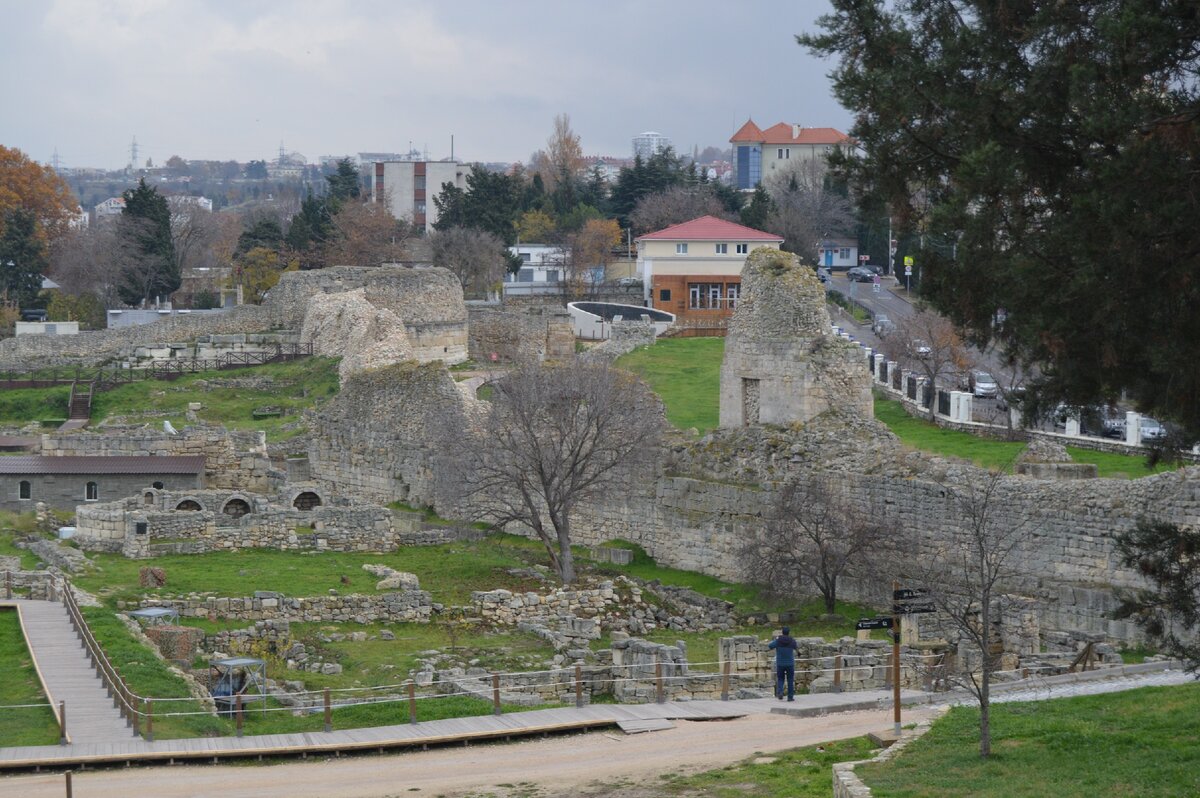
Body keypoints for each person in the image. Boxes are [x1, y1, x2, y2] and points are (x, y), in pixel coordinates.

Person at [768, 626, 799, 701]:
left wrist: (777, 639)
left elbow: (770, 646)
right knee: (790, 680)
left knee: (781, 679)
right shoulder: (792, 640)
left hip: (780, 663)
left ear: (782, 632)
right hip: (790, 664)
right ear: (789, 632)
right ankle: (790, 697)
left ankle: (780, 693)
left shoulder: (778, 640)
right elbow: (796, 648)